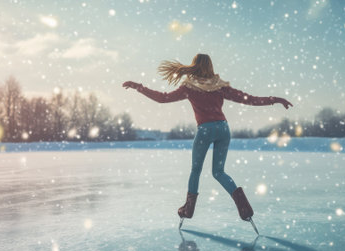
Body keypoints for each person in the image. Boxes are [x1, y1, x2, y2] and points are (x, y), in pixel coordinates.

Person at [123, 54, 292, 233]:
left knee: (196, 171)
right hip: (223, 129)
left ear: (194, 66)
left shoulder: (189, 87)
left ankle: (188, 210)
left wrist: (139, 87)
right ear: (210, 66)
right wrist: (275, 99)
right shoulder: (220, 87)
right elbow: (249, 99)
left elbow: (163, 98)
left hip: (205, 130)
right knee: (219, 172)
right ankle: (244, 207)